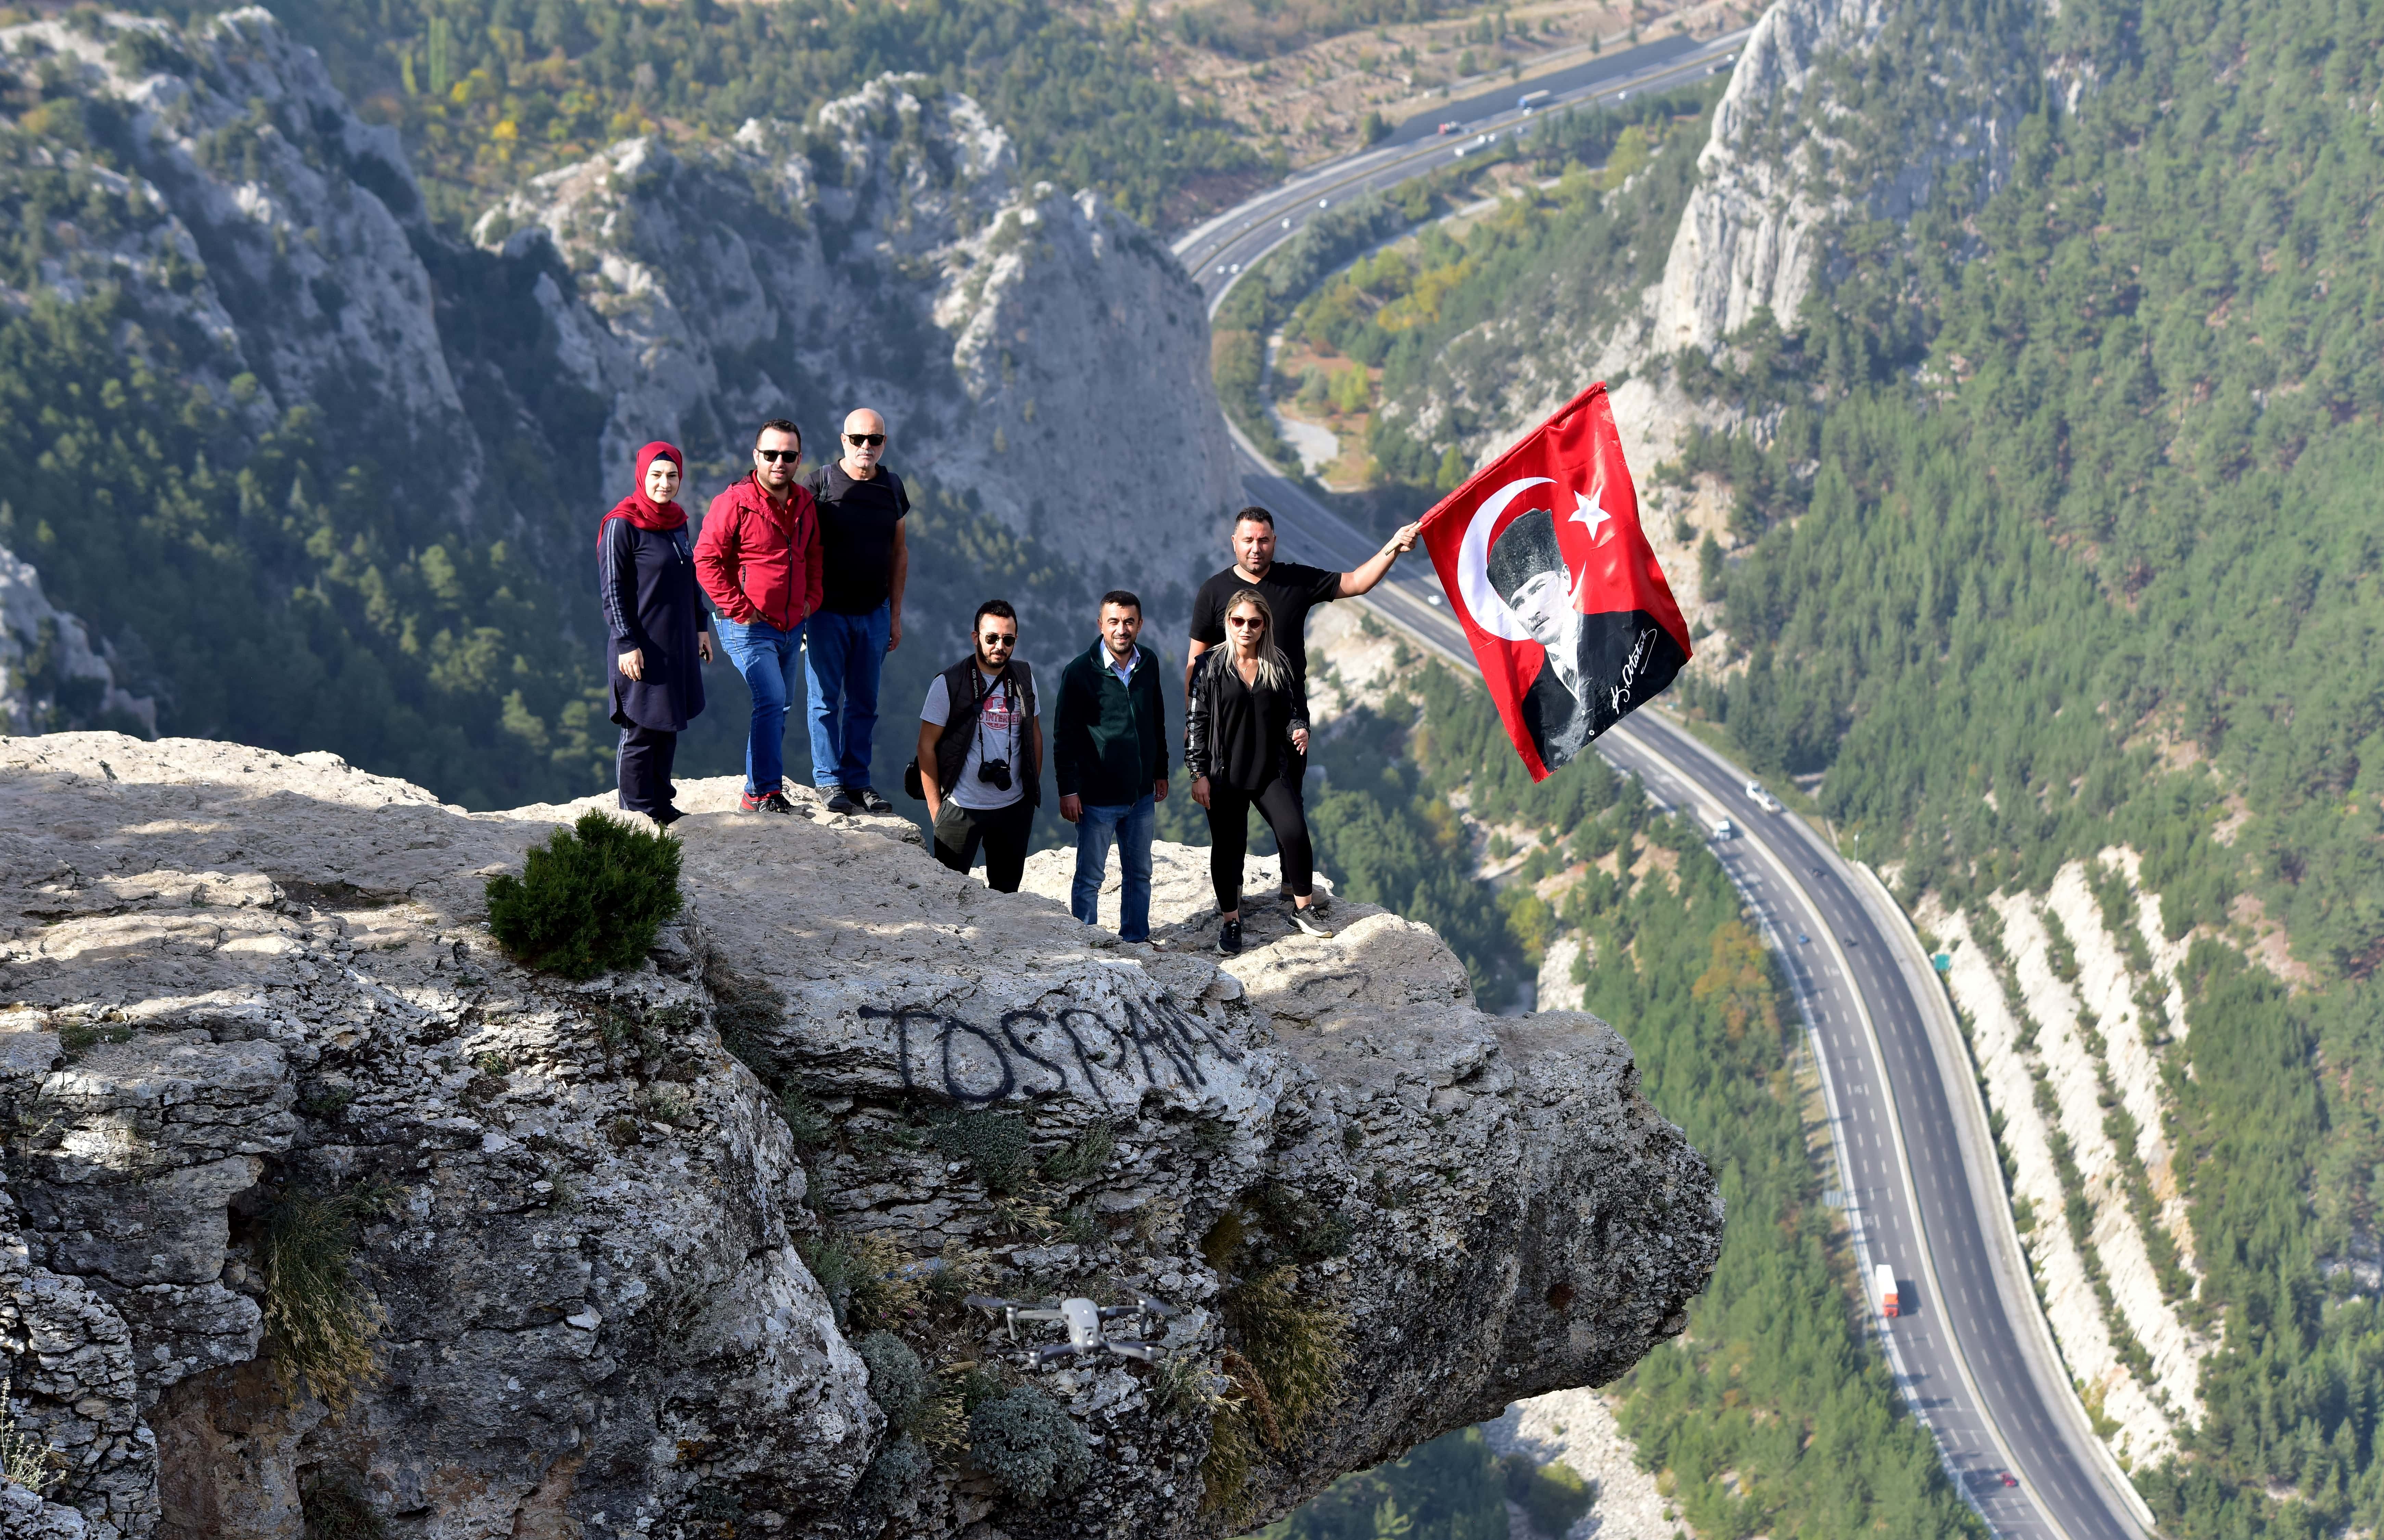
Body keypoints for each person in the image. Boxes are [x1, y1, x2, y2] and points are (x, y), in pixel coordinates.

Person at [1485, 506, 1687, 771]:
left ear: (1566, 578)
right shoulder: (1534, 705)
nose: (1532, 611)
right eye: (1519, 603)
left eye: (1538, 589)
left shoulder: (1631, 627)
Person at [1185, 590, 1330, 956]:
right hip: (1224, 774)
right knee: (1229, 849)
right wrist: (1197, 772)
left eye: (1254, 621)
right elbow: (1196, 721)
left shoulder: (1279, 664)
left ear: (1265, 624)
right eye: (1238, 621)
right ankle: (1231, 920)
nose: (1245, 629)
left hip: (1269, 770)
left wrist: (1299, 728)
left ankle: (1303, 907)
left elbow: (1294, 711)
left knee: (1294, 831)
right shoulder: (1209, 666)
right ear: (1227, 623)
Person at [696, 419, 823, 816]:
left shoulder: (803, 502)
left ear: (799, 459)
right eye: (771, 455)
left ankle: (760, 789)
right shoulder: (733, 502)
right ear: (756, 456)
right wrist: (737, 607)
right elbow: (706, 559)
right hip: (747, 626)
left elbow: (814, 555)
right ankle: (763, 792)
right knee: (770, 698)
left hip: (791, 624)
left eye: (788, 455)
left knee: (779, 705)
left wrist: (811, 599)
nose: (779, 462)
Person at [601, 441, 712, 825]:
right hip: (642, 644)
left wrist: (702, 626)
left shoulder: (677, 521)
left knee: (668, 724)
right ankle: (635, 811)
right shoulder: (622, 523)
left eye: (672, 476)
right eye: (656, 475)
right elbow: (612, 590)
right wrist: (626, 643)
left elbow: (690, 578)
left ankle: (661, 804)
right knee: (641, 729)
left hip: (677, 640)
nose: (664, 484)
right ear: (641, 475)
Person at [805, 407, 909, 816]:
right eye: (858, 439)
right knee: (825, 700)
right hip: (827, 613)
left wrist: (895, 615)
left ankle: (857, 780)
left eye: (875, 439)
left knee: (865, 701)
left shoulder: (892, 487)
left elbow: (899, 553)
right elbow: (798, 548)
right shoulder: (820, 483)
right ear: (843, 440)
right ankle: (828, 781)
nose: (866, 447)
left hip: (874, 612)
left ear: (884, 442)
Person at [1054, 590, 1171, 944]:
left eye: (1129, 622)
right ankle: (1085, 944)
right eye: (1114, 622)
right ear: (1101, 624)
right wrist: (1068, 789)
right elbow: (1064, 736)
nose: (1122, 629)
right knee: (1090, 875)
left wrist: (1160, 770)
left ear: (1140, 624)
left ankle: (1135, 938)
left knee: (1140, 873)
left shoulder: (1147, 662)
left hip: (1140, 795)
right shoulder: (1079, 672)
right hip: (1096, 797)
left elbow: (1157, 720)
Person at [919, 600, 1042, 893]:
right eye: (992, 638)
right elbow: (926, 747)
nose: (1000, 645)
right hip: (961, 808)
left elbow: (1035, 734)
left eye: (1008, 639)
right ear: (976, 637)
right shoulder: (948, 683)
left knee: (1007, 896)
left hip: (1013, 809)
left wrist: (1029, 791)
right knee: (947, 896)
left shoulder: (1025, 678)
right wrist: (937, 812)